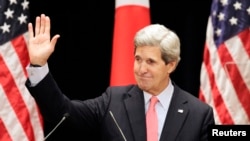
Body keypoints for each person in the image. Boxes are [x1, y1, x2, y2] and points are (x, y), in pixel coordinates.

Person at [25, 14, 215, 141]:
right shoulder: (112, 102)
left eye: (151, 62)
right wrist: (39, 66)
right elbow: (64, 114)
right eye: (138, 59)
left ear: (171, 65)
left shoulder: (199, 114)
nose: (141, 69)